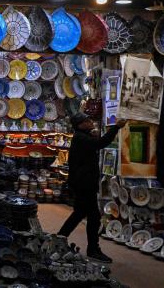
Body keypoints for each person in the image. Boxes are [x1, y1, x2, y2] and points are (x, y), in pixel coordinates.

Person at [57, 112, 127, 263]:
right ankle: (91, 248)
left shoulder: (82, 137)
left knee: (80, 214)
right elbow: (100, 144)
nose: (91, 122)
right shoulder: (81, 138)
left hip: (83, 183)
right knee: (92, 216)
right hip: (84, 184)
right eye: (87, 121)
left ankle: (60, 239)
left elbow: (93, 145)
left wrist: (93, 134)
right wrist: (116, 127)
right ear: (81, 124)